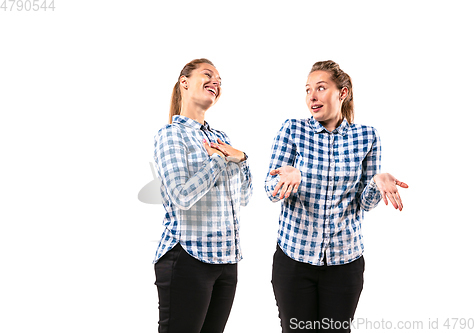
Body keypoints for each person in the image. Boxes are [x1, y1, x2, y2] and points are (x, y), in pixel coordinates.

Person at [265, 60, 408, 332]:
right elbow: (269, 191)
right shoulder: (293, 129)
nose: (312, 96)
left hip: (345, 263)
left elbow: (364, 203)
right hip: (295, 261)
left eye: (321, 88)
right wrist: (288, 178)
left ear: (343, 93)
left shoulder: (367, 136)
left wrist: (377, 183)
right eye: (308, 90)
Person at [153, 58, 252, 332]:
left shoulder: (221, 137)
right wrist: (219, 161)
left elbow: (244, 197)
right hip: (187, 257)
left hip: (226, 260)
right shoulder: (171, 136)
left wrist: (242, 158)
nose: (216, 82)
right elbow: (181, 197)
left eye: (219, 81)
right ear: (184, 82)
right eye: (208, 75)